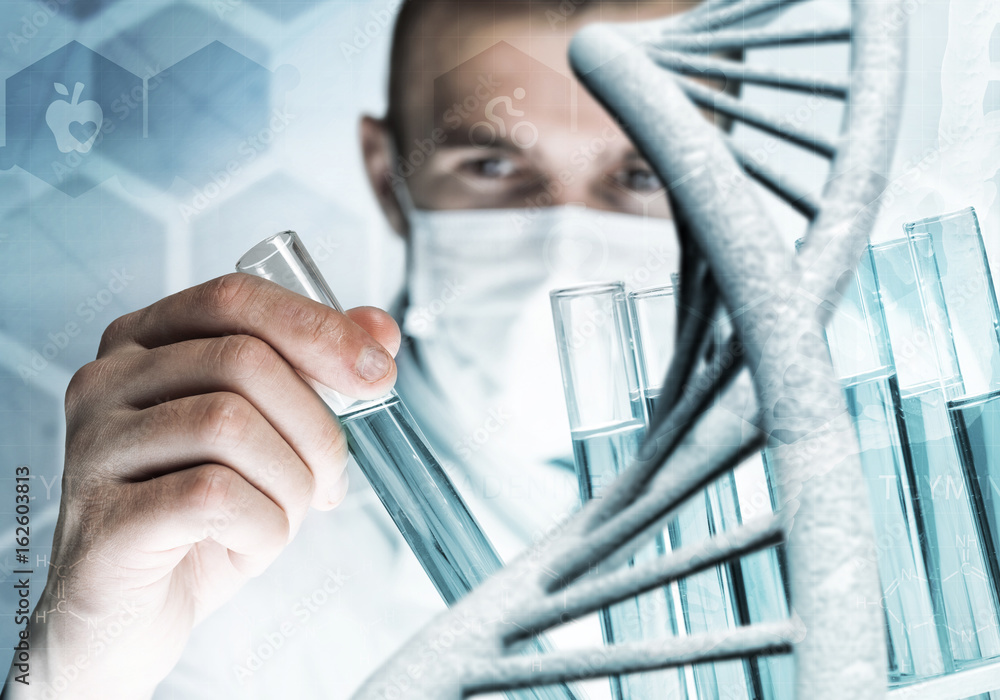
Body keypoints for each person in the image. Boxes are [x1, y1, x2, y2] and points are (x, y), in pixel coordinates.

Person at [4, 0, 689, 697]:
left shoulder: (787, 490)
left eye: (641, 174)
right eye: (490, 164)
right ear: (388, 170)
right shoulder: (215, 546)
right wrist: (69, 670)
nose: (563, 244)